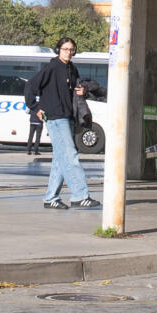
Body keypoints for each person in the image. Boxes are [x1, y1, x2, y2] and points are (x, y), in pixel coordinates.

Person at [28, 39, 97, 211]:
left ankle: (50, 197)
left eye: (71, 49)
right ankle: (80, 196)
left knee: (60, 159)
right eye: (65, 49)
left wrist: (84, 92)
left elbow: (76, 89)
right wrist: (35, 107)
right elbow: (30, 86)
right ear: (59, 50)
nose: (68, 52)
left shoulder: (72, 69)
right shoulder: (51, 67)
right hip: (55, 117)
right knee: (70, 155)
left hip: (68, 116)